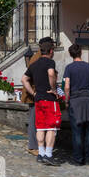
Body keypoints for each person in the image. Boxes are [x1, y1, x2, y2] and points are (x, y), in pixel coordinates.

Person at [23, 38, 61, 166]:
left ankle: (41, 153)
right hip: (49, 99)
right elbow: (51, 74)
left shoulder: (34, 64)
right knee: (51, 127)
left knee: (40, 127)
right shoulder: (50, 62)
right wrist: (53, 89)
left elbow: (24, 79)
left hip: (38, 99)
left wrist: (33, 93)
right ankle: (49, 155)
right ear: (51, 51)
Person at [62, 43, 89, 166]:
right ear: (81, 52)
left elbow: (67, 87)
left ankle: (78, 159)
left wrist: (67, 100)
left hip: (75, 100)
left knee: (77, 131)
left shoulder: (69, 68)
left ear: (70, 54)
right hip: (87, 100)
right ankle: (88, 159)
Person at [21, 47, 37, 156]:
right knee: (34, 121)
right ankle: (33, 146)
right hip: (35, 95)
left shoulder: (35, 59)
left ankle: (35, 145)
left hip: (33, 94)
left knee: (34, 121)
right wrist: (33, 92)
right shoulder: (36, 60)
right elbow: (24, 79)